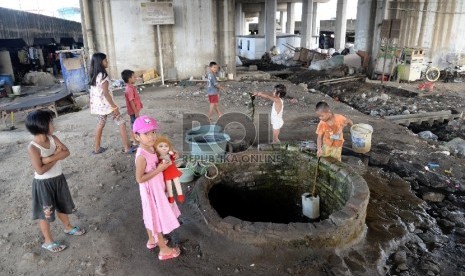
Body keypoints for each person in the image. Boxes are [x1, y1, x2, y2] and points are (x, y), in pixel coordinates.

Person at [25, 110, 86, 253]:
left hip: (58, 179)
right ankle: (48, 241)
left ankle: (68, 227)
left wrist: (48, 158)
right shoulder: (33, 147)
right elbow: (40, 170)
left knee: (61, 205)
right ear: (42, 126)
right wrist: (57, 155)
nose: (53, 124)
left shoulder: (53, 138)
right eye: (51, 122)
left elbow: (67, 152)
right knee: (45, 214)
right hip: (43, 184)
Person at [133, 115, 181, 260]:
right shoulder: (142, 156)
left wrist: (171, 155)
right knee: (156, 218)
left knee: (150, 215)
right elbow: (139, 179)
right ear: (137, 136)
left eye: (153, 132)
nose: (151, 136)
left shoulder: (152, 147)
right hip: (150, 192)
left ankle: (152, 240)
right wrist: (159, 169)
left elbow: (162, 154)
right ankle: (164, 249)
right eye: (146, 134)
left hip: (157, 189)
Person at [89, 52, 136, 154]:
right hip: (107, 106)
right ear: (100, 62)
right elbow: (106, 93)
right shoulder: (103, 76)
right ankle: (127, 148)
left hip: (99, 107)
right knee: (122, 123)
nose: (107, 62)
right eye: (105, 60)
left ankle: (97, 148)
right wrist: (114, 107)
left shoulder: (95, 75)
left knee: (100, 123)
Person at [154, 135, 184, 204]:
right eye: (160, 146)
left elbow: (174, 157)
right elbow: (159, 165)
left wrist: (173, 153)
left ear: (169, 147)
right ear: (156, 148)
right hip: (166, 172)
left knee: (177, 182)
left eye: (166, 146)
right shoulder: (159, 157)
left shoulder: (169, 155)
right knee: (168, 185)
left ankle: (180, 194)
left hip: (173, 170)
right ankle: (171, 196)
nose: (164, 148)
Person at [121, 69, 143, 145]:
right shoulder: (129, 89)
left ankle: (133, 138)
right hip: (134, 111)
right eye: (134, 76)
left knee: (134, 124)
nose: (136, 77)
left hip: (134, 111)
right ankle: (134, 140)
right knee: (134, 125)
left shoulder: (131, 87)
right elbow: (131, 101)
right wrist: (136, 112)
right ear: (129, 79)